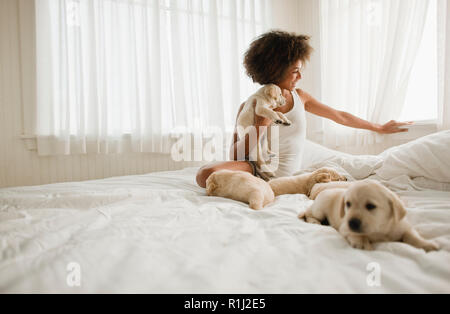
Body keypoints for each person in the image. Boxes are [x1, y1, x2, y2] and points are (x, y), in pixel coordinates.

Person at [196, 30, 411, 188]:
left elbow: (339, 116)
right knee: (205, 175)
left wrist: (379, 127)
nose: (300, 77)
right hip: (255, 171)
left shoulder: (300, 98)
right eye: (295, 72)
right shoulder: (250, 105)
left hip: (287, 173)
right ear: (275, 71)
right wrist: (260, 127)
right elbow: (235, 155)